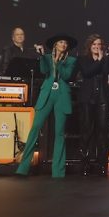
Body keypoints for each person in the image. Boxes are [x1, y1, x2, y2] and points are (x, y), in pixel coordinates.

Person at [16, 34, 77, 178]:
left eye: (65, 43)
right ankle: (23, 168)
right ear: (55, 44)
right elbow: (43, 70)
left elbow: (67, 76)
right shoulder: (47, 58)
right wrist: (44, 57)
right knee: (35, 128)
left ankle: (58, 172)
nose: (63, 44)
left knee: (59, 133)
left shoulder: (71, 60)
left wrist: (59, 62)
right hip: (47, 94)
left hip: (62, 96)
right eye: (61, 42)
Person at [75, 34, 109, 176]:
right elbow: (87, 72)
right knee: (86, 130)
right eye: (94, 45)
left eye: (99, 45)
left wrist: (105, 58)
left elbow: (107, 71)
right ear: (89, 46)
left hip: (103, 98)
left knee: (103, 131)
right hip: (87, 98)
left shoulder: (107, 59)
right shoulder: (83, 59)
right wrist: (100, 60)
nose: (97, 47)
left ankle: (102, 164)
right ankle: (84, 164)